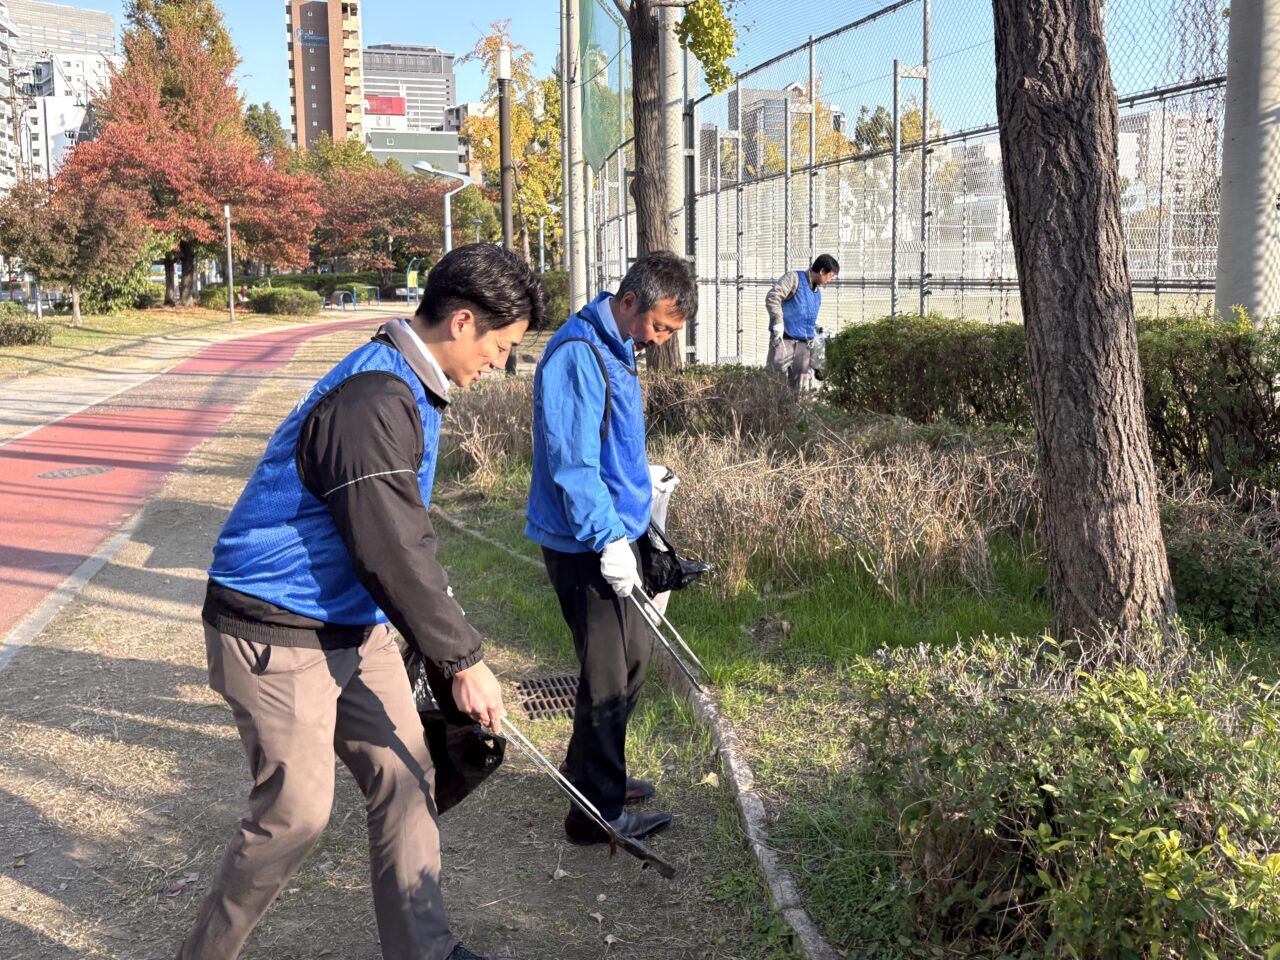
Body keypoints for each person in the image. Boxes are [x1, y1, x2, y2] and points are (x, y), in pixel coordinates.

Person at [179, 244, 546, 960]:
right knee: (295, 813)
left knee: (409, 777)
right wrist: (462, 660)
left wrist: (438, 649)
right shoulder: (375, 398)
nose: (501, 365)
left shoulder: (413, 382)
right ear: (463, 322)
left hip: (356, 624)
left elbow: (398, 543)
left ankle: (427, 952)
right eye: (503, 348)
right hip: (275, 626)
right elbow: (392, 546)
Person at [525, 251, 697, 845]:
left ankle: (594, 772)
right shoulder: (579, 353)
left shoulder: (618, 346)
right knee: (606, 672)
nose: (662, 340)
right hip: (582, 542)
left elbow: (605, 442)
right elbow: (572, 464)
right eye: (660, 327)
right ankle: (594, 815)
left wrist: (640, 480)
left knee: (630, 659)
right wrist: (607, 541)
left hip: (613, 532)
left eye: (672, 332)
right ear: (629, 303)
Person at [765, 254, 840, 393]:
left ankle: (795, 414)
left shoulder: (817, 293)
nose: (830, 280)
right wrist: (777, 322)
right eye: (831, 275)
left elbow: (804, 316)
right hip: (784, 339)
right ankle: (772, 413)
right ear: (822, 271)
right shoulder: (794, 278)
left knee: (800, 388)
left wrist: (818, 329)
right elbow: (773, 297)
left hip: (804, 345)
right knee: (775, 383)